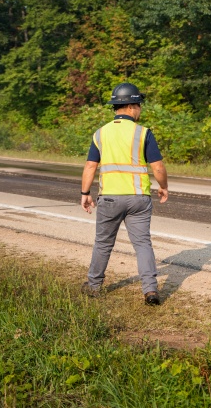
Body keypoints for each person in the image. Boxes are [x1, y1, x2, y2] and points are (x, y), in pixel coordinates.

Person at [80, 82, 169, 305]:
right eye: (139, 105)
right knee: (142, 243)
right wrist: (163, 186)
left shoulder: (100, 134)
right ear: (131, 106)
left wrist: (85, 192)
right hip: (139, 198)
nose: (140, 110)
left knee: (103, 243)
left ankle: (93, 286)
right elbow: (157, 166)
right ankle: (150, 290)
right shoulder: (143, 133)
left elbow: (90, 166)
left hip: (109, 198)